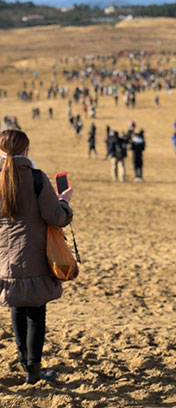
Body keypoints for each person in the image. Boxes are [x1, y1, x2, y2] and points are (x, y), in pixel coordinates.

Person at [0, 129, 74, 384]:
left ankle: (24, 362)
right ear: (26, 151)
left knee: (18, 308)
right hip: (35, 254)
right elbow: (56, 217)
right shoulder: (37, 178)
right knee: (36, 313)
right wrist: (64, 203)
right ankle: (33, 369)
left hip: (5, 257)